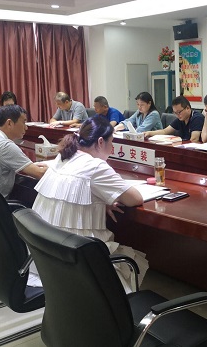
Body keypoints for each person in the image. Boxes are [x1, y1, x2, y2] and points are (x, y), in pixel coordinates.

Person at [32, 115, 148, 292]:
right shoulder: (96, 166)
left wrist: (102, 199)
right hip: (80, 255)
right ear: (100, 142)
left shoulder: (63, 157)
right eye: (111, 142)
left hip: (47, 254)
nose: (112, 148)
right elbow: (135, 198)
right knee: (131, 260)